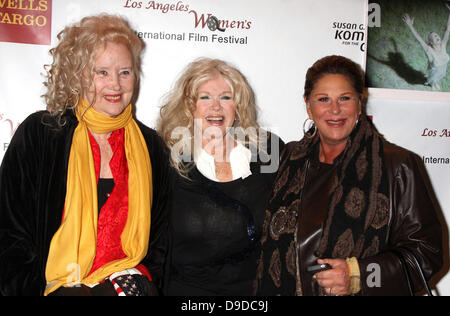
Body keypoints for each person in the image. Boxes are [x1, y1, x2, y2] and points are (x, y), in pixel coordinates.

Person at [0, 14, 170, 296]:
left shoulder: (152, 146)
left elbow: (159, 244)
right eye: (101, 72)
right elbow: (9, 233)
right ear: (77, 75)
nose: (115, 85)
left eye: (124, 72)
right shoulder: (40, 134)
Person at [255, 55, 443, 296]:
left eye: (345, 98)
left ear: (359, 103)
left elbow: (427, 254)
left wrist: (359, 275)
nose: (335, 110)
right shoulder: (288, 158)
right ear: (308, 105)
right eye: (323, 99)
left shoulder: (397, 165)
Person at [157, 58, 283, 295]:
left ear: (238, 107)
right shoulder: (167, 159)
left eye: (226, 97)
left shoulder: (269, 151)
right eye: (205, 97)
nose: (216, 107)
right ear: (189, 105)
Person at [403, 3, 450, 90]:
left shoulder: (443, 44)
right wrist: (410, 25)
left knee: (439, 76)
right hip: (434, 72)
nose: (437, 37)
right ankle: (432, 83)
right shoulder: (429, 50)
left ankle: (436, 81)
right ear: (431, 42)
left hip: (442, 71)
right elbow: (419, 39)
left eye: (437, 35)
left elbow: (448, 29)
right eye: (434, 37)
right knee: (433, 79)